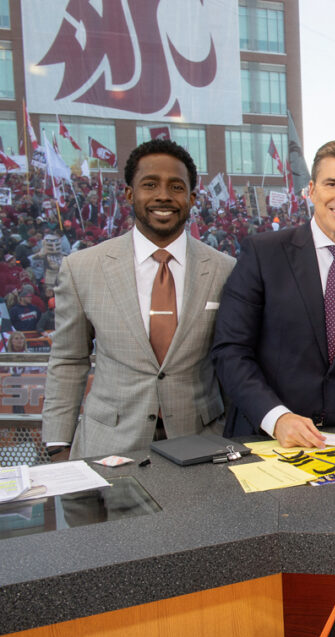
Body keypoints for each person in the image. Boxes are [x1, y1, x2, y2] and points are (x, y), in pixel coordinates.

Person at [42, 139, 236, 458]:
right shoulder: (81, 268)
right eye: (150, 184)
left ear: (191, 198)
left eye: (176, 186)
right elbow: (68, 358)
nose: (163, 195)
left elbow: (232, 361)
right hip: (108, 446)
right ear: (130, 194)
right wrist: (58, 443)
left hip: (203, 443)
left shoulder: (225, 269)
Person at [212, 140, 335, 447]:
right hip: (265, 439)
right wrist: (276, 417)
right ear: (312, 190)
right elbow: (231, 350)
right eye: (332, 183)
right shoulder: (263, 254)